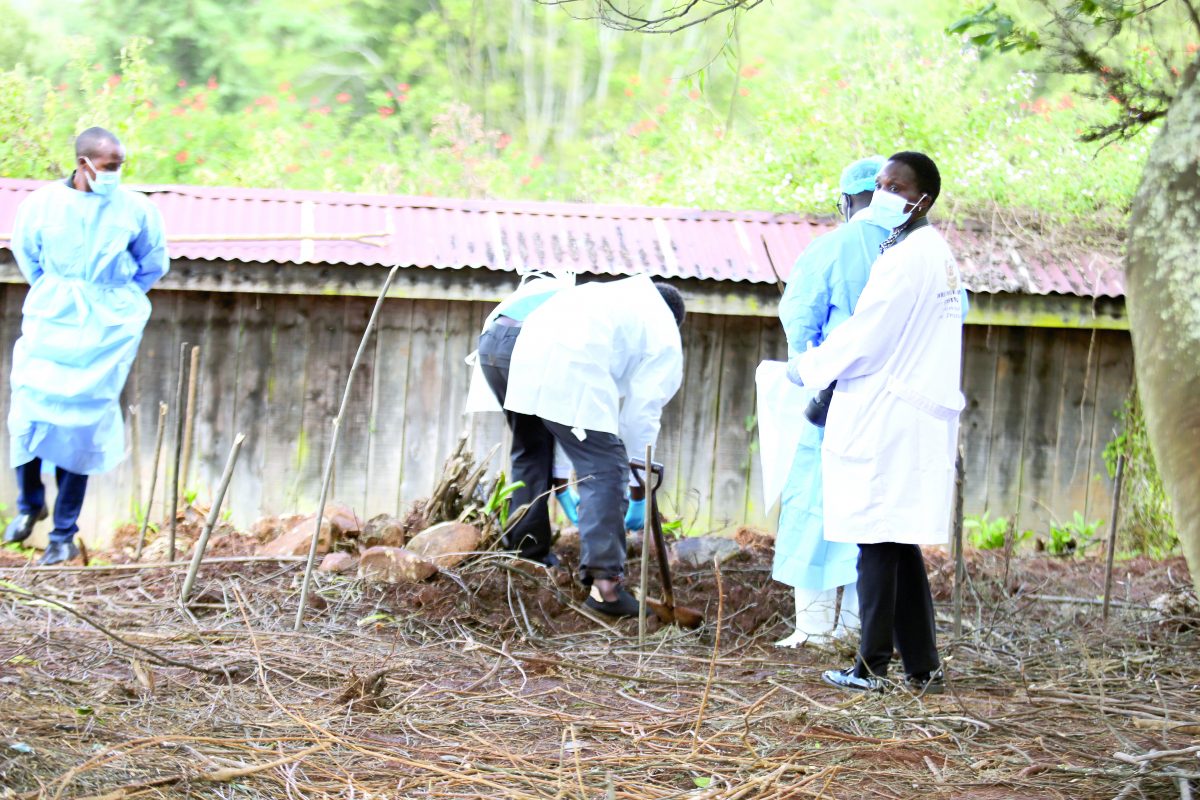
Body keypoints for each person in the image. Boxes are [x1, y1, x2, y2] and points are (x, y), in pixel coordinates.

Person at [786, 151, 964, 694]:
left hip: (887, 414)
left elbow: (865, 335)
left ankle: (870, 667)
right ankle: (924, 665)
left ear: (922, 199)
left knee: (875, 540)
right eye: (879, 184)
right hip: (904, 411)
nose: (882, 194)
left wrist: (807, 369)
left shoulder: (908, 258)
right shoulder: (930, 253)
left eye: (895, 186)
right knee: (897, 540)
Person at [4, 127, 169, 565]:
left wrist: (116, 300)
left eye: (120, 166)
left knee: (82, 427)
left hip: (107, 327)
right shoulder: (41, 205)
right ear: (84, 163)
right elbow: (27, 254)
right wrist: (62, 291)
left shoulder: (136, 209)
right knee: (28, 410)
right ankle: (28, 503)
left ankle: (62, 535)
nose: (117, 174)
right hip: (52, 314)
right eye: (111, 166)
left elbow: (153, 262)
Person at [476, 274, 684, 617]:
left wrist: (558, 481)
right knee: (606, 466)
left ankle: (527, 554)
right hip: (550, 348)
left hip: (498, 340)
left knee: (531, 448)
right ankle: (606, 590)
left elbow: (556, 414)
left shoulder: (615, 299)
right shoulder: (663, 331)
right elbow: (639, 419)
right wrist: (637, 491)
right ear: (676, 322)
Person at [771, 155, 890, 647]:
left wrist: (810, 366)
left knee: (816, 505)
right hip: (893, 406)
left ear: (846, 200)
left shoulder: (833, 248)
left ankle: (816, 628)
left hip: (837, 396)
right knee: (876, 516)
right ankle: (859, 628)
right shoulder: (920, 249)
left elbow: (800, 324)